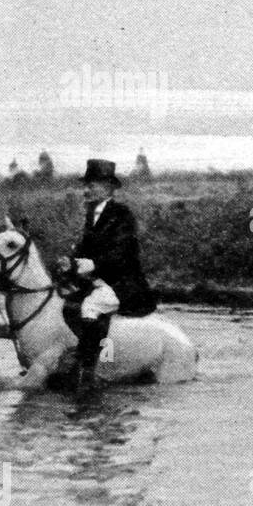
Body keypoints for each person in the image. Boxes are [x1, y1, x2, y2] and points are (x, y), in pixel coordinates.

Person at [54, 159, 157, 389]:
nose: (86, 189)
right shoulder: (92, 214)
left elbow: (121, 254)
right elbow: (84, 250)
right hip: (101, 281)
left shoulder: (122, 215)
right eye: (86, 185)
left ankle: (88, 371)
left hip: (124, 284)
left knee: (90, 306)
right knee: (68, 304)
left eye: (92, 185)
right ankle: (84, 353)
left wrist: (90, 265)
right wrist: (69, 263)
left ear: (109, 188)